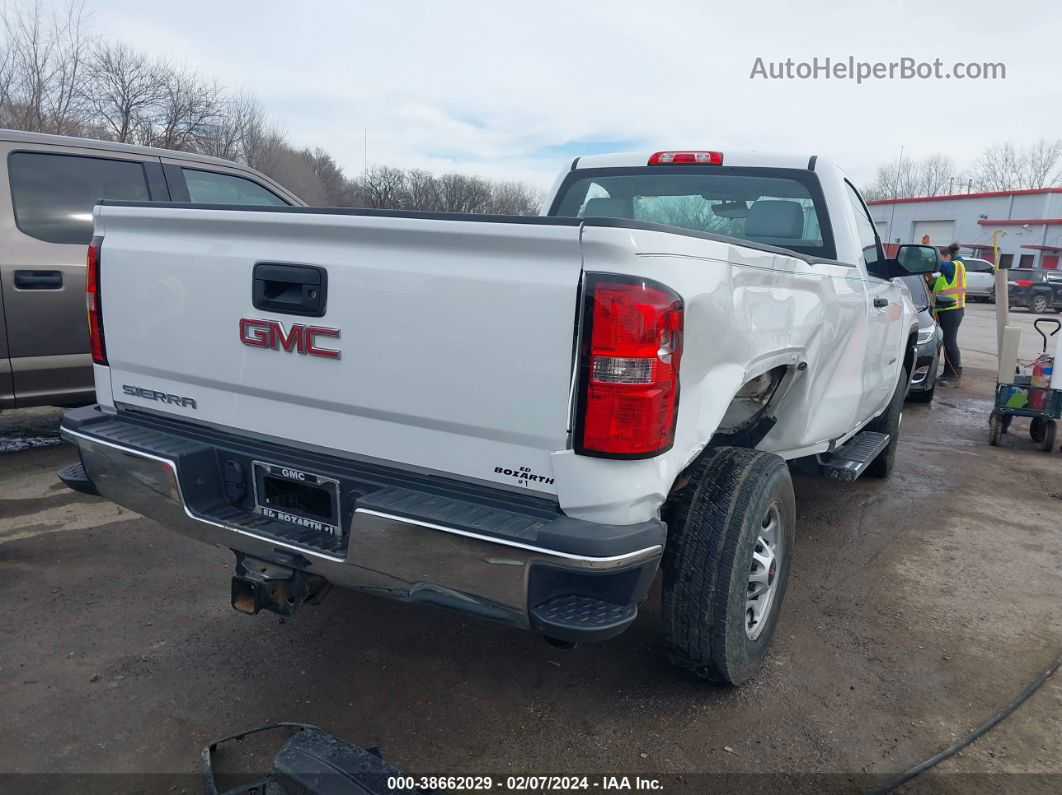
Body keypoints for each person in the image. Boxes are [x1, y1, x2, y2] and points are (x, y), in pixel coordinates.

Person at [931, 243, 967, 386]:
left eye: (941, 258)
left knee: (949, 342)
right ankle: (947, 373)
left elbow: (938, 264)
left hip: (953, 311)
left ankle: (954, 374)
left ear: (948, 256)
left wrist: (927, 250)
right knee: (945, 342)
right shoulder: (945, 274)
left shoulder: (955, 265)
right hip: (944, 311)